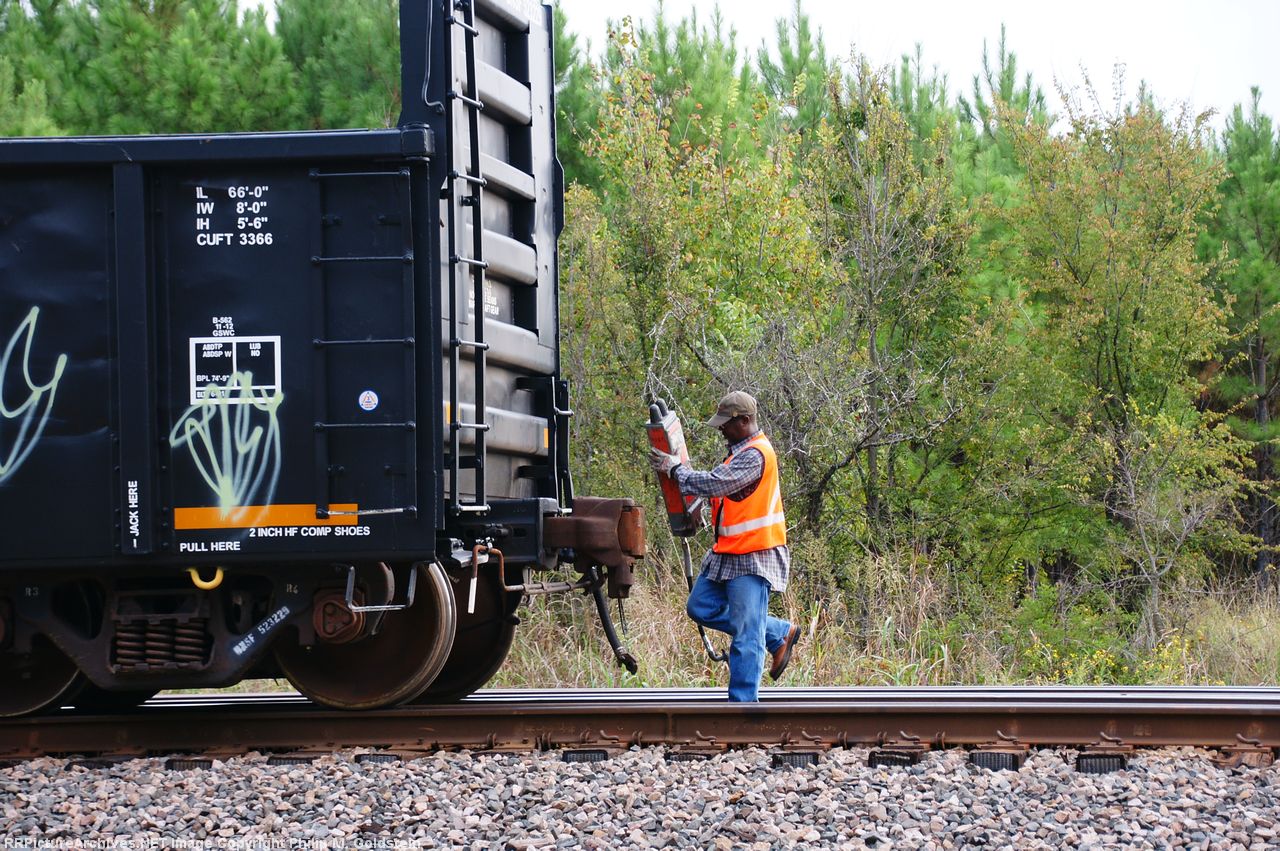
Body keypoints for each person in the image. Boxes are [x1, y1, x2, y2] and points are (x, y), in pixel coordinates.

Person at [648, 390, 801, 702]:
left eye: (726, 424)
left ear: (744, 421)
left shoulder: (755, 454)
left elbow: (717, 483)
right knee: (700, 606)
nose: (721, 429)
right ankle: (777, 632)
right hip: (730, 552)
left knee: (747, 634)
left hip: (754, 554)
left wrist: (676, 469)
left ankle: (742, 707)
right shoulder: (739, 452)